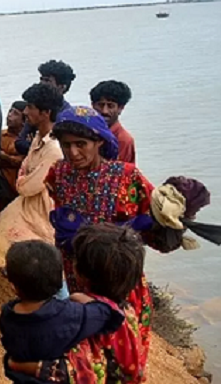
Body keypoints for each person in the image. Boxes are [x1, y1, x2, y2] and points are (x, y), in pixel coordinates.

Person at [45, 105, 173, 369]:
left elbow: (158, 229)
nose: (73, 153)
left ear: (100, 141)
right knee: (90, 361)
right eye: (66, 145)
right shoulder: (59, 174)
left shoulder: (128, 177)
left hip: (122, 286)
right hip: (78, 280)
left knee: (125, 360)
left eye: (81, 144)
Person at [7, 224, 148, 384]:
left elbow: (77, 373)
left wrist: (21, 366)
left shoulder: (77, 317)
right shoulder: (128, 313)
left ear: (79, 273)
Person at [0, 83, 64, 269]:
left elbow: (28, 186)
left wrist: (24, 180)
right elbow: (25, 169)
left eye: (30, 107)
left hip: (41, 211)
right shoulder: (39, 139)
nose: (25, 111)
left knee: (44, 261)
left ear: (45, 112)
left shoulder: (53, 149)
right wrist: (25, 178)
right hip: (28, 203)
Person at [16, 60, 76, 156]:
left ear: (62, 87)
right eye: (41, 79)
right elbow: (19, 143)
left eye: (47, 80)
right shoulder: (35, 109)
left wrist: (39, 145)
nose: (42, 83)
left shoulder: (67, 115)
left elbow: (61, 148)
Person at [90, 80, 136, 164]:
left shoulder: (123, 140)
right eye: (100, 105)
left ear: (120, 108)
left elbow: (121, 172)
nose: (105, 111)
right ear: (92, 105)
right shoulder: (84, 130)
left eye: (110, 106)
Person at [0, 101, 27, 211]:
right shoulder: (1, 134)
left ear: (24, 122)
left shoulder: (25, 142)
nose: (10, 115)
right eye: (10, 111)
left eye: (15, 114)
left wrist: (5, 157)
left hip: (13, 186)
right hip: (1, 185)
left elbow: (22, 161)